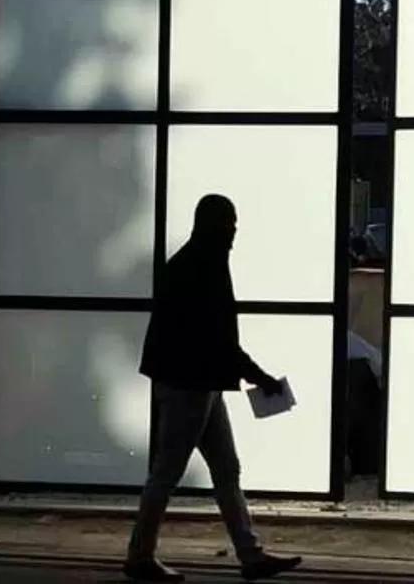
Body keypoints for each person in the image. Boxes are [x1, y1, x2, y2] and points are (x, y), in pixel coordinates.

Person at [124, 194, 303, 583]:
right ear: (214, 224)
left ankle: (250, 554)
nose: (234, 231)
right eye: (230, 222)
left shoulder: (192, 262)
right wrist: (261, 377)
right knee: (171, 472)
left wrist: (252, 374)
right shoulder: (204, 267)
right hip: (192, 384)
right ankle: (140, 557)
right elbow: (219, 339)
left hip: (194, 383)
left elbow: (212, 339)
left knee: (223, 469)